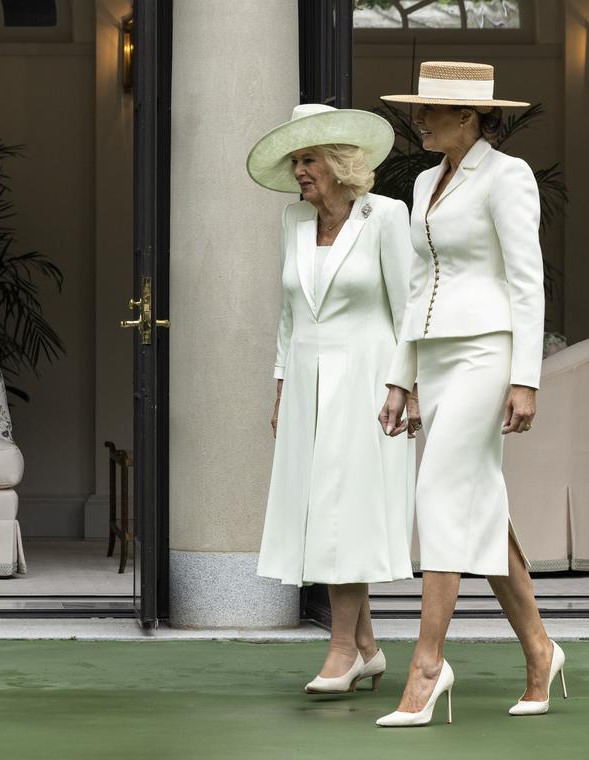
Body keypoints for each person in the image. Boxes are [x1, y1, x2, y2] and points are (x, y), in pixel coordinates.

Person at [376, 62, 566, 728]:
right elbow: (414, 288)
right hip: (436, 359)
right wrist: (401, 379)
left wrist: (525, 378)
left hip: (488, 352)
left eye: (430, 112)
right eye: (419, 110)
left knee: (440, 493)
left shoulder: (507, 176)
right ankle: (541, 650)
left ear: (470, 118)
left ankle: (428, 663)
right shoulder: (427, 181)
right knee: (476, 507)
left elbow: (526, 281)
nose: (418, 121)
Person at [247, 104, 416, 694]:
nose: (299, 170)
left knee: (345, 510)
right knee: (319, 509)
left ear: (341, 162)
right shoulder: (294, 221)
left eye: (308, 158)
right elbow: (290, 314)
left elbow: (409, 307)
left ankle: (342, 649)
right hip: (305, 382)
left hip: (368, 382)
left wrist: (405, 384)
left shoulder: (387, 217)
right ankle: (367, 647)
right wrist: (281, 387)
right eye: (295, 160)